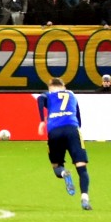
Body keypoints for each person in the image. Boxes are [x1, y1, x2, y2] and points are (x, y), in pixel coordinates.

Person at [37, 79, 91, 211]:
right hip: (72, 130)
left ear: (50, 87)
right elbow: (79, 118)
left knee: (56, 167)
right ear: (64, 87)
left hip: (55, 131)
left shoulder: (48, 95)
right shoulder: (71, 95)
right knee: (81, 167)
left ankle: (63, 173)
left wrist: (42, 121)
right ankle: (85, 198)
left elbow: (39, 99)